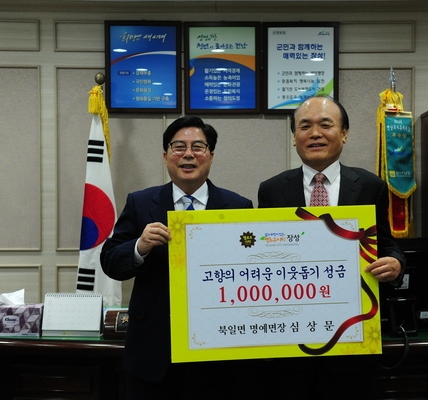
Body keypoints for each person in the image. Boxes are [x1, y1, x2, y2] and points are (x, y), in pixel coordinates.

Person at [257, 95, 406, 399]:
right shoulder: (272, 189)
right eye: (305, 127)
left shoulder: (370, 186)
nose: (315, 134)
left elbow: (386, 242)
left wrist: (396, 263)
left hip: (350, 337)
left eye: (325, 125)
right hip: (291, 341)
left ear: (344, 133)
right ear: (294, 137)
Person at [100, 116, 253, 399]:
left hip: (217, 355)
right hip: (153, 353)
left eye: (198, 147)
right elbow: (110, 261)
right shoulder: (140, 202)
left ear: (211, 155)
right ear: (165, 156)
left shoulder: (238, 206)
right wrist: (139, 246)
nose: (188, 154)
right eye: (179, 147)